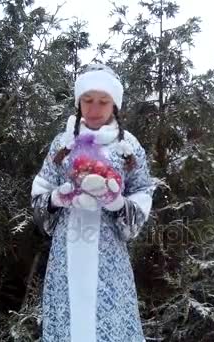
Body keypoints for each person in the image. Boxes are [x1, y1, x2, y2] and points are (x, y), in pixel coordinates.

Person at [31, 64, 156, 342]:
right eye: (88, 100)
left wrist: (117, 203)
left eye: (103, 101)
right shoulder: (63, 144)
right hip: (67, 251)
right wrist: (56, 198)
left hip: (109, 254)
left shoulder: (129, 148)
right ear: (78, 102)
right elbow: (41, 190)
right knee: (69, 320)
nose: (95, 108)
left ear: (115, 105)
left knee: (108, 320)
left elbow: (143, 191)